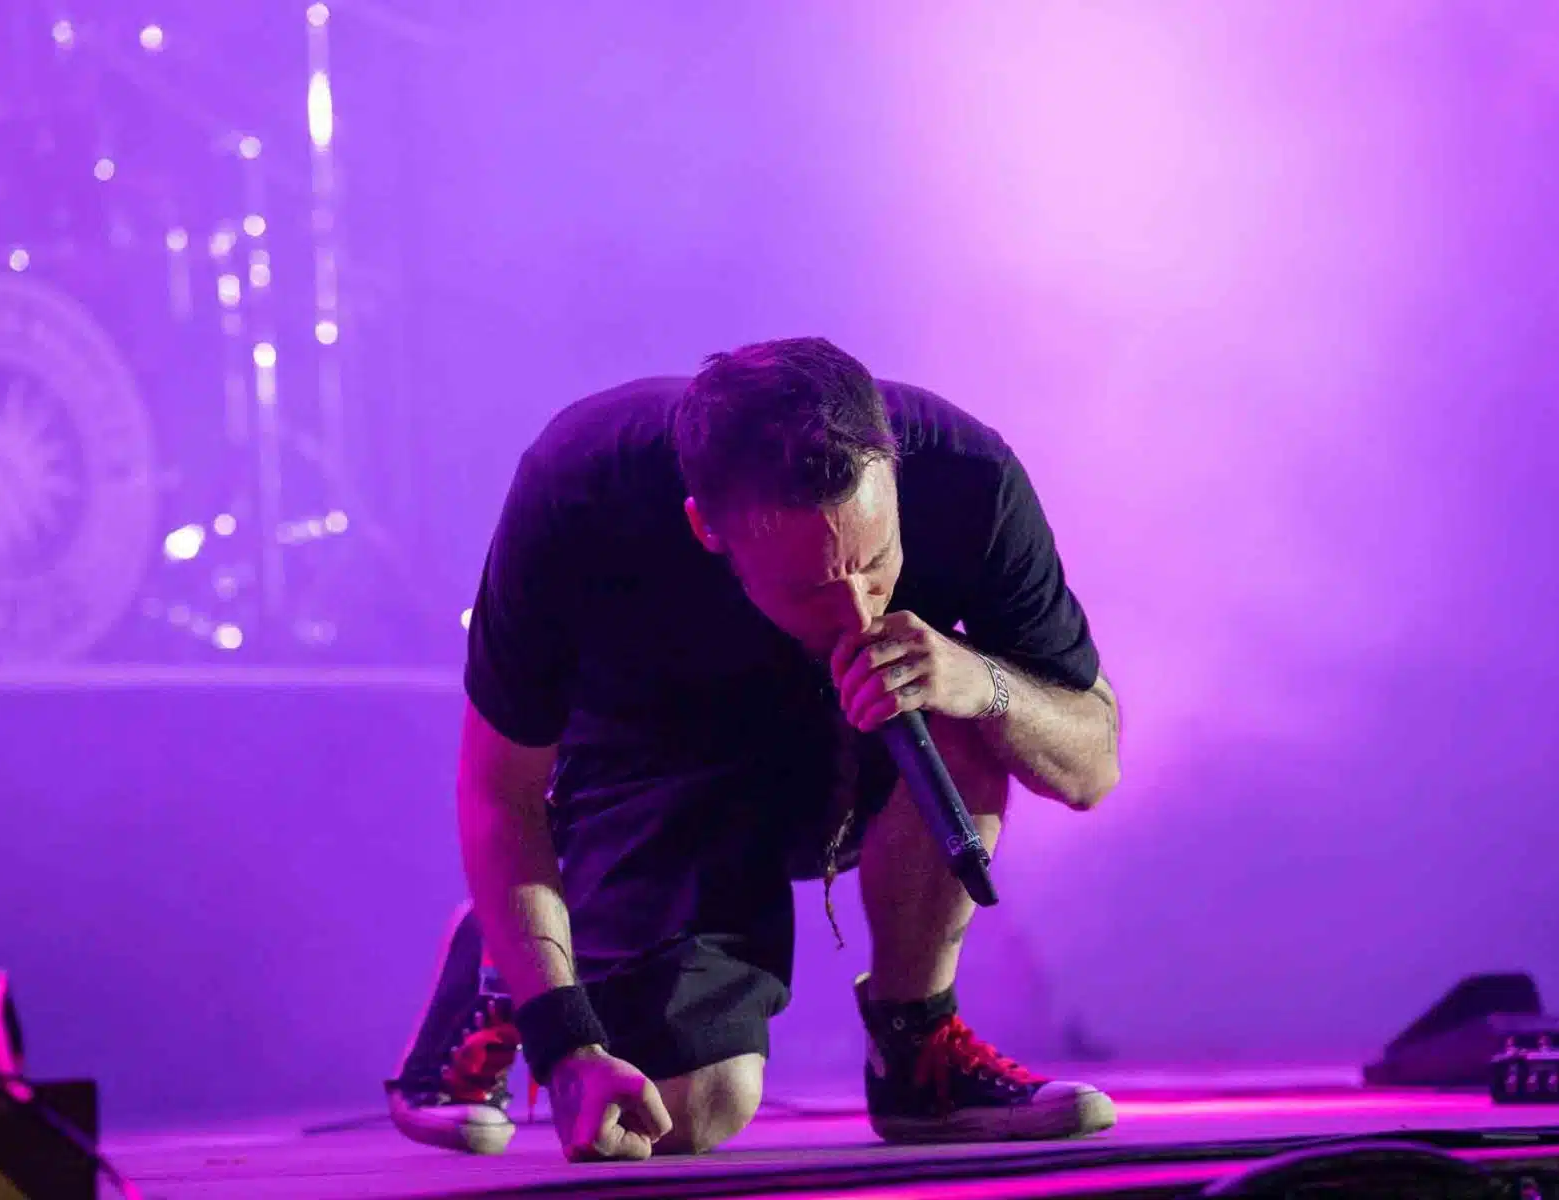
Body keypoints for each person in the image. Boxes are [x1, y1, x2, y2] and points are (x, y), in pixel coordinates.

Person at [383, 337, 1122, 1161]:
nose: (857, 614)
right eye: (811, 588)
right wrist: (568, 1046)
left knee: (977, 709)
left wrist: (979, 681)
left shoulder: (970, 475)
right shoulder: (582, 484)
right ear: (705, 527)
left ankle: (917, 1052)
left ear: (894, 474)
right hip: (666, 769)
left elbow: (1092, 765)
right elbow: (501, 794)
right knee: (685, 1114)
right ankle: (509, 950)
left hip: (855, 756)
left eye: (878, 564)